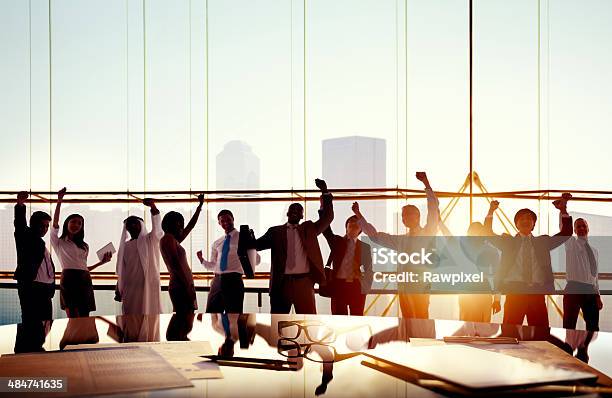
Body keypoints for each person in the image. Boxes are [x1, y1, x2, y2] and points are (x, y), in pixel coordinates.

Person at [352, 172, 439, 319]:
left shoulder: (428, 232)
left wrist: (426, 184)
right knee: (407, 320)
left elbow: (433, 210)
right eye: (403, 215)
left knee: (421, 319)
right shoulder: (401, 240)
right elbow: (375, 236)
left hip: (420, 286)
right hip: (404, 286)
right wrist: (359, 215)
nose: (404, 218)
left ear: (417, 216)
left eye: (407, 214)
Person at [484, 195, 573, 327]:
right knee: (510, 333)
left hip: (536, 294)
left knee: (541, 335)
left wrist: (563, 210)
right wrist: (491, 211)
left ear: (533, 224)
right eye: (522, 218)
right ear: (516, 224)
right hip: (514, 292)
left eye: (529, 218)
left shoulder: (543, 242)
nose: (525, 220)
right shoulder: (508, 242)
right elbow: (487, 233)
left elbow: (566, 233)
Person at [253, 179, 333, 314]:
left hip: (304, 283)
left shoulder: (309, 229)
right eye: (292, 209)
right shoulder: (275, 231)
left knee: (308, 321)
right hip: (281, 283)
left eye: (299, 209)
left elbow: (328, 217)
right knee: (278, 321)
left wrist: (324, 192)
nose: (295, 211)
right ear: (287, 213)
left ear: (302, 215)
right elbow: (257, 245)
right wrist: (245, 237)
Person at [52, 188, 112, 318]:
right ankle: (73, 338)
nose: (76, 225)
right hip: (69, 279)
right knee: (72, 316)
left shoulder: (84, 246)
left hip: (85, 279)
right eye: (73, 222)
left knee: (85, 316)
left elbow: (84, 268)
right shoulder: (59, 242)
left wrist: (101, 263)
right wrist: (59, 200)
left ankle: (85, 338)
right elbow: (55, 223)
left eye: (79, 223)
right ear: (66, 223)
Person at [197, 209, 260, 314]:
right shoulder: (217, 243)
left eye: (228, 220)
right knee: (212, 315)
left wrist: (251, 245)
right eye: (222, 221)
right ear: (219, 223)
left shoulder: (243, 237)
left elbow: (256, 261)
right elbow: (213, 265)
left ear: (233, 219)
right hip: (217, 281)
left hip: (234, 281)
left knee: (234, 316)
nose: (226, 223)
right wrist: (202, 260)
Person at [115, 199, 164, 315]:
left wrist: (153, 206)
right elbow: (121, 270)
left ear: (141, 225)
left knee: (149, 313)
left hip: (148, 284)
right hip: (130, 286)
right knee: (131, 314)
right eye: (129, 224)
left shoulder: (150, 239)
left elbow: (157, 228)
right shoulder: (125, 246)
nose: (132, 225)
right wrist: (118, 287)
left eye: (135, 223)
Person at [13, 191, 55, 322]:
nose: (45, 228)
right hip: (31, 288)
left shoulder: (42, 243)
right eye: (42, 225)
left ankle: (39, 343)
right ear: (33, 224)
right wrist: (20, 204)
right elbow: (19, 224)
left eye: (47, 226)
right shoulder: (25, 236)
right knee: (31, 321)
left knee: (46, 322)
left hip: (45, 289)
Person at [160, 194, 204, 314]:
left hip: (183, 284)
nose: (181, 226)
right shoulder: (168, 239)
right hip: (180, 285)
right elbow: (175, 265)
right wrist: (187, 286)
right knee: (183, 321)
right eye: (179, 223)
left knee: (186, 321)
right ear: (172, 223)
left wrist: (199, 207)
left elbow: (190, 226)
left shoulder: (173, 240)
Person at [322, 215, 373, 316]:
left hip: (357, 287)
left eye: (357, 222)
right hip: (338, 286)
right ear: (346, 227)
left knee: (357, 318)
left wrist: (365, 287)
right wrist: (324, 209)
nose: (354, 223)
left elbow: (369, 269)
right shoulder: (336, 241)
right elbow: (326, 230)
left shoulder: (365, 247)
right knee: (339, 319)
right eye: (351, 221)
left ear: (361, 229)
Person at [563, 217, 603, 331]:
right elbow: (564, 229)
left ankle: (589, 348)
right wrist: (563, 211)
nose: (581, 228)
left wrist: (597, 295)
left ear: (588, 229)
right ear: (574, 230)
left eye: (584, 226)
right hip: (573, 288)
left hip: (590, 290)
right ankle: (568, 348)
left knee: (593, 326)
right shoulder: (571, 244)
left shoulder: (594, 251)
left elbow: (595, 276)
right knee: (569, 326)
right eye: (578, 226)